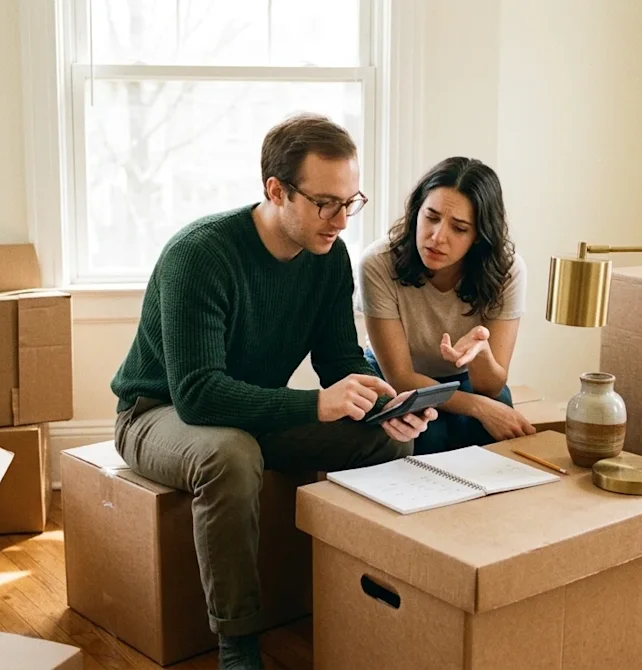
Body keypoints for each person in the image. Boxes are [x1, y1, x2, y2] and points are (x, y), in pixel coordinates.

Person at [109, 113, 435, 670]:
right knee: (231, 454)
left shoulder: (328, 258)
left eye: (350, 202)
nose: (341, 221)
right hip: (155, 411)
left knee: (386, 443)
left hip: (250, 412)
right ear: (276, 190)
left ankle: (361, 603)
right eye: (325, 203)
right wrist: (316, 403)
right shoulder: (200, 255)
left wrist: (385, 407)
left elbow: (338, 360)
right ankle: (237, 642)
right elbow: (198, 395)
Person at [356, 156, 534, 455]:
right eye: (431, 217)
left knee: (495, 434)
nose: (437, 237)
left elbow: (490, 387)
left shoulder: (507, 271)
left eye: (459, 228)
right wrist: (479, 408)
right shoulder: (378, 262)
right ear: (416, 213)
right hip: (398, 378)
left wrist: (479, 354)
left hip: (466, 379)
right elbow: (400, 377)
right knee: (428, 436)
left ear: (479, 236)